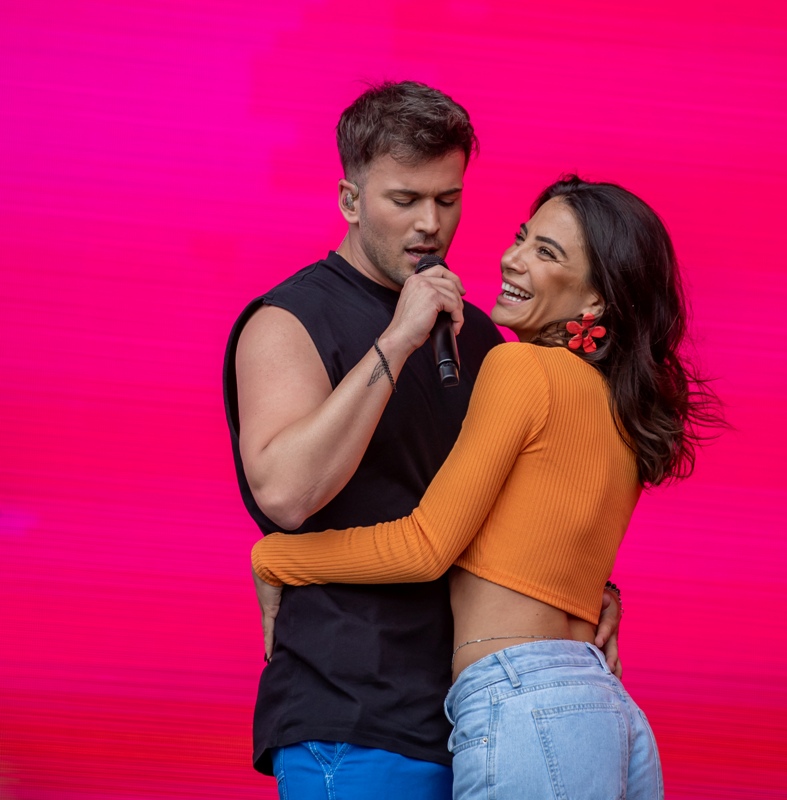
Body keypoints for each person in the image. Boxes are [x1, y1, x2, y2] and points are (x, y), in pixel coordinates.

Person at [251, 176, 720, 799]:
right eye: (524, 237)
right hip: (605, 710)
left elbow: (425, 547)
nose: (512, 258)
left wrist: (274, 557)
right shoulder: (617, 403)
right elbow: (537, 546)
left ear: (596, 304)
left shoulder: (516, 367)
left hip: (526, 702)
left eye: (547, 253)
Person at [222, 83, 623, 799]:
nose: (430, 225)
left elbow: (500, 502)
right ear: (350, 200)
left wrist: (585, 592)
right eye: (404, 200)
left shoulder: (476, 330)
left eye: (447, 199)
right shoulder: (289, 320)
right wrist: (399, 338)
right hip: (352, 714)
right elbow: (284, 493)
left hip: (475, 714)